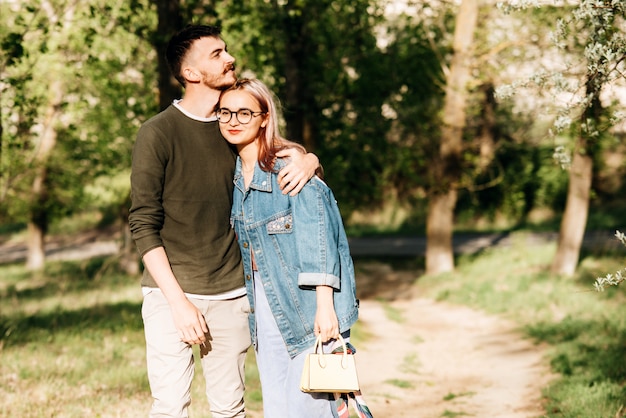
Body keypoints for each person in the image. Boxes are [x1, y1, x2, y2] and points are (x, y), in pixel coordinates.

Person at [129, 25, 320, 418]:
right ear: (191, 73)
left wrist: (309, 160)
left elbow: (283, 150)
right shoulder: (157, 133)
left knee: (230, 409)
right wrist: (179, 304)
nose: (229, 58)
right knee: (169, 407)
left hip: (232, 295)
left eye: (226, 50)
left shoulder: (233, 126)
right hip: (170, 297)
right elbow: (143, 224)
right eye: (216, 54)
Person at [216, 78, 359, 418]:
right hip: (264, 306)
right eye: (225, 112)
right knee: (279, 408)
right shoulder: (234, 177)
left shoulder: (288, 168)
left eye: (244, 112)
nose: (233, 120)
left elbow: (320, 236)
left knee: (310, 409)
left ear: (264, 117)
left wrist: (325, 306)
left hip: (308, 305)